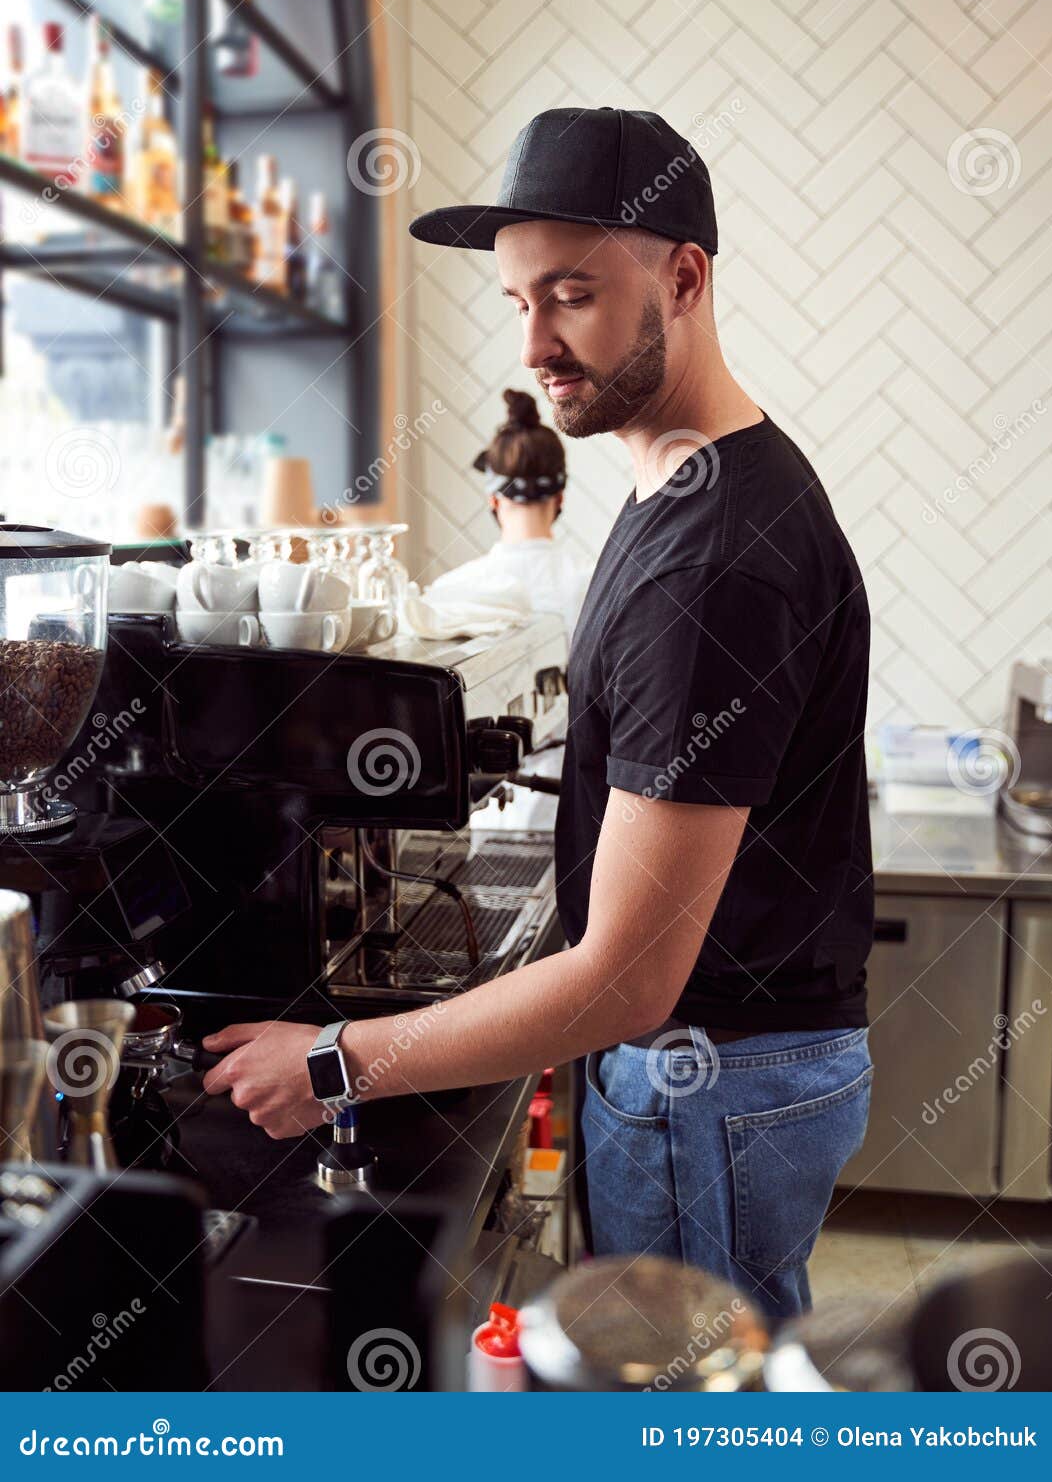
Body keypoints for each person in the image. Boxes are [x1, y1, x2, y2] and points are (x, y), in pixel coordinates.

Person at [203, 106, 875, 1321]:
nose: (535, 344)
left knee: (681, 1427)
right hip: (726, 1072)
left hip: (706, 1076)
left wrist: (334, 1062)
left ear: (683, 276)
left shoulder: (709, 558)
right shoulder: (682, 482)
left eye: (569, 294)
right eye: (518, 301)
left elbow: (625, 978)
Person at [427, 386, 591, 833]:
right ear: (560, 496)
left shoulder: (451, 593)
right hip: (576, 799)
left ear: (493, 498)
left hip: (481, 804)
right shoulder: (595, 583)